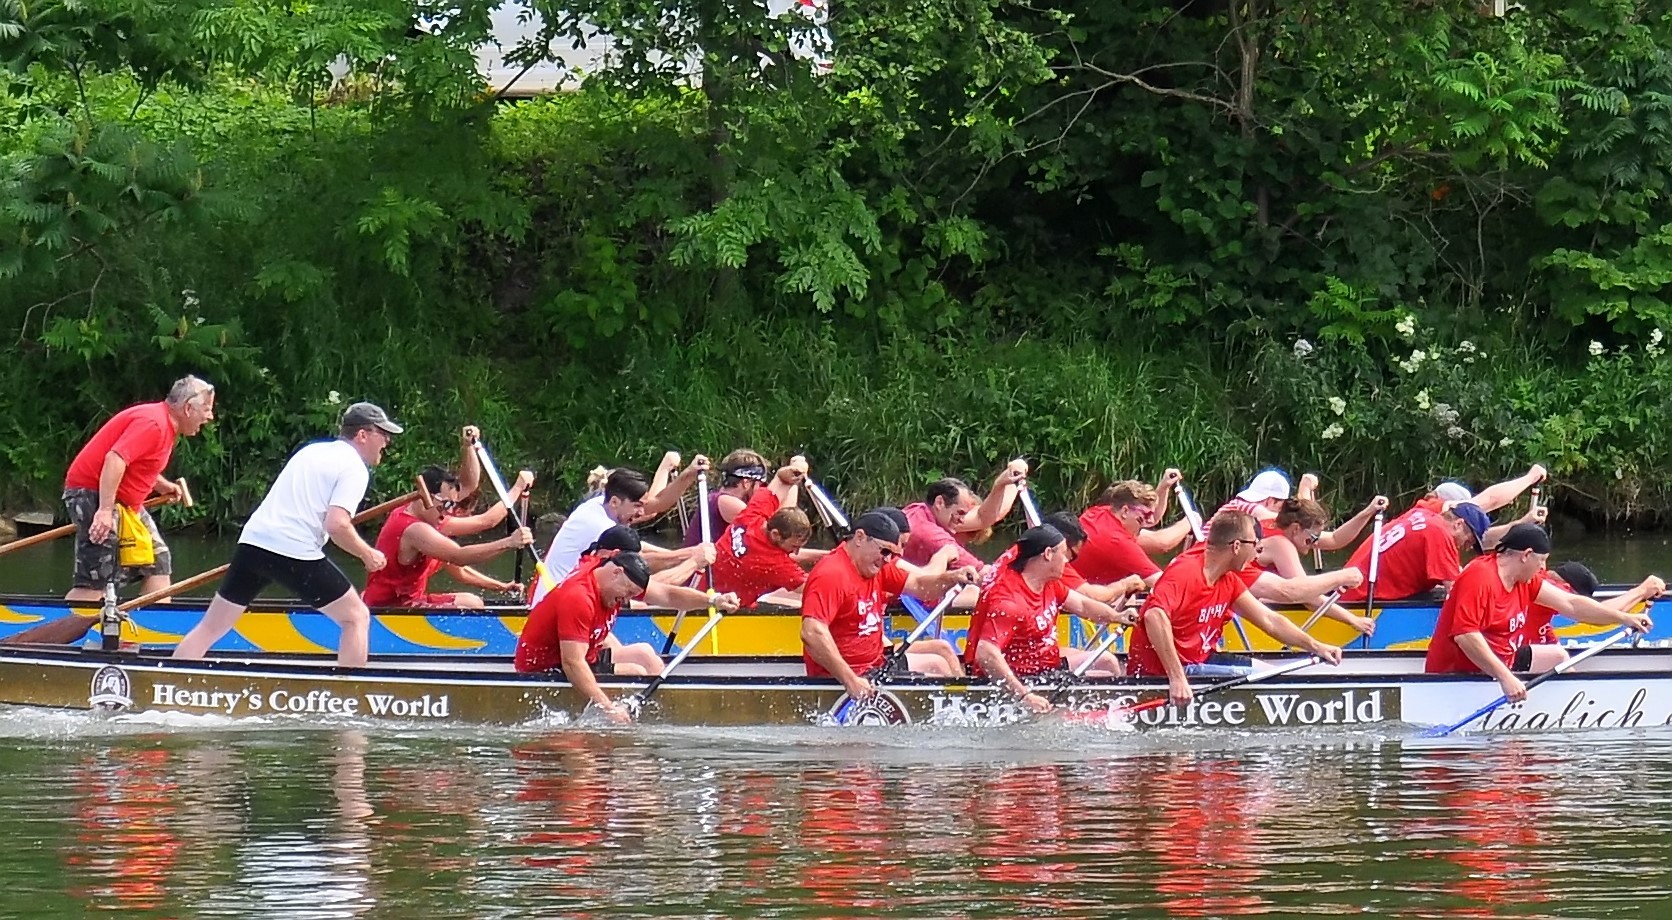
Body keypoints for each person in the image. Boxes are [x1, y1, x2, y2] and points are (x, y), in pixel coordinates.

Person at [173, 402, 402, 668]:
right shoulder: (354, 467)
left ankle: (168, 682)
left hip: (254, 543)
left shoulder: (312, 451)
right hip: (293, 550)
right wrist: (367, 553)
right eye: (382, 434)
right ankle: (350, 699)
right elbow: (337, 525)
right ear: (362, 435)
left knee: (211, 627)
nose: (387, 441)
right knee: (356, 617)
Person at [1127, 511, 1344, 707]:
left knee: (1268, 671)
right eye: (1255, 546)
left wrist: (1317, 646)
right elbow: (1154, 615)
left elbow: (1269, 620)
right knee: (1270, 680)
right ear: (1237, 546)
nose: (1257, 555)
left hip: (1200, 659)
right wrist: (1176, 679)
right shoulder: (1187, 573)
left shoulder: (1227, 578)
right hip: (1166, 671)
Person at [1423, 524, 1653, 700]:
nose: (1543, 568)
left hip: (1503, 661)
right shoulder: (1481, 577)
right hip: (1456, 676)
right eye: (1541, 561)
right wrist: (1506, 678)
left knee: (1557, 656)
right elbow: (1466, 635)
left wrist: (1624, 618)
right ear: (1526, 555)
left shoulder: (1525, 580)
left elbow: (1572, 604)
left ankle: (1580, 702)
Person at [514, 550, 741, 723]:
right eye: (628, 593)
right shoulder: (579, 597)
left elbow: (667, 594)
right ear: (616, 574)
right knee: (636, 674)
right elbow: (572, 663)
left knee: (643, 653)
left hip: (582, 657)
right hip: (544, 670)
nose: (627, 600)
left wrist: (713, 600)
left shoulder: (613, 572)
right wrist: (608, 708)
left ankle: (663, 717)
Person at [62, 375, 216, 602]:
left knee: (157, 562)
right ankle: (53, 633)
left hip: (124, 505)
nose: (210, 416)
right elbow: (115, 459)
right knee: (96, 581)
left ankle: (154, 627)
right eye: (206, 409)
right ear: (187, 408)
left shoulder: (164, 425)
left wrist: (163, 486)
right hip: (93, 495)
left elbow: (138, 464)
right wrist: (104, 511)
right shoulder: (154, 423)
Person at [800, 511, 979, 700]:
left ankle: (965, 704)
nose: (887, 559)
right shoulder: (832, 574)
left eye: (892, 554)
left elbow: (920, 587)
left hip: (877, 664)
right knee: (936, 684)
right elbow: (811, 632)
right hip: (847, 678)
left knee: (940, 664)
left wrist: (953, 577)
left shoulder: (878, 567)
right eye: (884, 551)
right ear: (860, 537)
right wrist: (850, 680)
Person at [966, 526, 1142, 714]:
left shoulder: (1048, 583)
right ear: (1048, 554)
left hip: (1048, 665)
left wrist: (1116, 616)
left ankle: (1108, 718)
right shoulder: (1010, 602)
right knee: (1103, 672)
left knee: (1107, 662)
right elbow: (985, 654)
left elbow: (1082, 604)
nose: (1067, 561)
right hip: (1026, 678)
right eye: (1064, 553)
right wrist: (1024, 696)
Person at [360, 465, 535, 609]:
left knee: (471, 601)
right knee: (471, 605)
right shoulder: (415, 530)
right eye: (446, 504)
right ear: (425, 497)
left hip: (408, 602)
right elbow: (458, 556)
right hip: (389, 607)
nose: (449, 512)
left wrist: (501, 586)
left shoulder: (432, 517)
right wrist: (509, 542)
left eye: (453, 505)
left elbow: (459, 570)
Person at [533, 464, 713, 603]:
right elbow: (640, 559)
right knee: (637, 585)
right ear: (614, 502)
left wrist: (688, 473)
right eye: (637, 506)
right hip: (558, 602)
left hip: (576, 593)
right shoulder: (599, 525)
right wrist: (690, 556)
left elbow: (656, 504)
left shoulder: (601, 504)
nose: (642, 513)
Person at [1253, 498, 1376, 636]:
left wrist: (1368, 512)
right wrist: (1353, 619)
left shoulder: (1273, 523)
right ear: (1296, 529)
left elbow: (1335, 539)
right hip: (1248, 610)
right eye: (1312, 539)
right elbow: (1306, 596)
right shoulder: (1281, 545)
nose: (1315, 544)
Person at [709, 456, 819, 606]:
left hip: (705, 588)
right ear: (775, 534)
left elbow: (781, 479)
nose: (797, 552)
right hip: (716, 607)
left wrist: (796, 467)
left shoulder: (752, 515)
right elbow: (816, 587)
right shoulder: (773, 563)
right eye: (794, 547)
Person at [1338, 502, 1492, 603]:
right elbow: (1456, 591)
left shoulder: (1421, 514)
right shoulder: (1440, 534)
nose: (1466, 548)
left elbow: (1453, 572)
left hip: (1345, 591)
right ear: (1458, 524)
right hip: (1362, 599)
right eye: (1469, 541)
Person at [900, 460, 1031, 571]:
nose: (962, 520)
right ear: (939, 502)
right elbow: (982, 573)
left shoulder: (920, 509)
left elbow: (984, 517)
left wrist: (1008, 482)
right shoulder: (934, 537)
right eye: (960, 513)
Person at [1075, 478, 1191, 588]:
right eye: (1145, 515)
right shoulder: (1119, 543)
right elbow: (1163, 584)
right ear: (1125, 511)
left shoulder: (1100, 512)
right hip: (1080, 593)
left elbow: (1153, 519)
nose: (1151, 520)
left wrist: (1164, 486)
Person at [1525, 563, 1664, 646]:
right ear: (1567, 587)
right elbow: (1596, 614)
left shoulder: (1544, 618)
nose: (1542, 564)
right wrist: (1641, 591)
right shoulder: (1549, 586)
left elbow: (1601, 614)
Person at [1040, 512, 1148, 605]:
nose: (1067, 562)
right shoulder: (1052, 565)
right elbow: (1093, 597)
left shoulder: (1041, 554)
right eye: (1072, 555)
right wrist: (1125, 584)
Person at [682, 449, 771, 546]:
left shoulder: (715, 498)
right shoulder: (730, 504)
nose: (761, 490)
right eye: (760, 485)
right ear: (746, 483)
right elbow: (770, 533)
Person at [1215, 470, 1291, 524]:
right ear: (1270, 501)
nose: (1279, 511)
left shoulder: (1239, 504)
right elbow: (1280, 519)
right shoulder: (1247, 507)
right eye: (1280, 508)